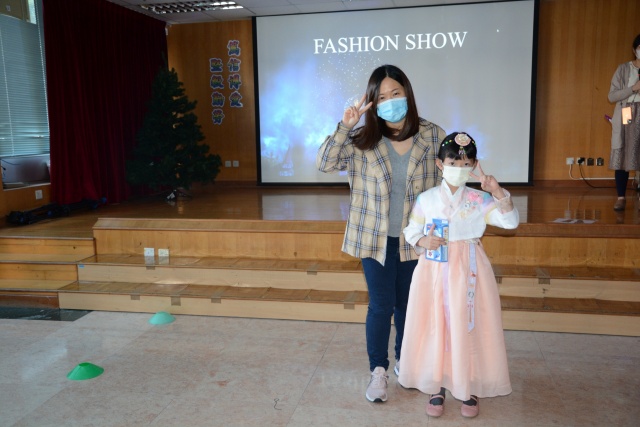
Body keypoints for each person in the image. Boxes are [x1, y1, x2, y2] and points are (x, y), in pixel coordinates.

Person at [316, 64, 446, 403]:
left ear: (407, 93)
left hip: (415, 238)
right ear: (373, 102)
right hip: (373, 237)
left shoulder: (433, 135)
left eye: (396, 93)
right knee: (380, 305)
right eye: (382, 97)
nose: (390, 102)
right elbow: (324, 163)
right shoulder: (362, 139)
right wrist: (345, 126)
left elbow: (445, 185)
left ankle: (406, 361)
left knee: (407, 305)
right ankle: (378, 370)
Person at [398, 132, 518, 418]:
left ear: (474, 165)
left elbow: (510, 222)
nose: (459, 168)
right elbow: (411, 229)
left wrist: (497, 192)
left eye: (466, 164)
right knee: (436, 324)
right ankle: (437, 384)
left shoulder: (480, 199)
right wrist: (422, 240)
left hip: (469, 270)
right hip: (433, 271)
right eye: (453, 163)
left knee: (468, 324)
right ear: (440, 164)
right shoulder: (427, 199)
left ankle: (469, 384)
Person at [608, 33, 640, 211]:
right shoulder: (623, 69)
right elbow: (612, 96)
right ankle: (621, 197)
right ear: (634, 50)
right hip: (626, 112)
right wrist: (633, 88)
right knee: (623, 153)